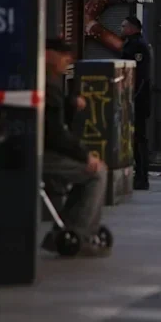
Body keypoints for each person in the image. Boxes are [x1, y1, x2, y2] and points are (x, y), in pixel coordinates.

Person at [42, 38, 110, 257]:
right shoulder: (45, 83)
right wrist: (84, 156)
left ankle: (66, 228)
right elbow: (55, 134)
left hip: (38, 150)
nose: (67, 60)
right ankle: (80, 234)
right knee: (96, 173)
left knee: (89, 172)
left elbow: (55, 122)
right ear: (48, 54)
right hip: (40, 154)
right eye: (63, 55)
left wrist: (70, 104)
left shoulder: (48, 81)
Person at [120, 16, 153, 190]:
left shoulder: (138, 45)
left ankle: (142, 176)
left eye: (124, 26)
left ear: (132, 28)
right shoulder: (133, 44)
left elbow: (140, 76)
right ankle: (138, 175)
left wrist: (131, 97)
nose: (121, 28)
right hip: (136, 98)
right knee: (135, 139)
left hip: (138, 100)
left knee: (139, 139)